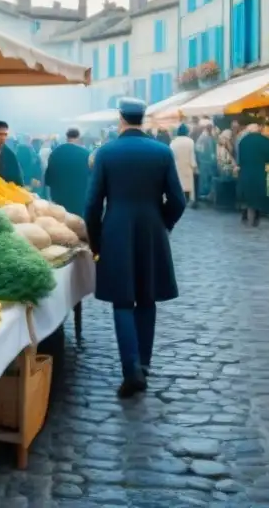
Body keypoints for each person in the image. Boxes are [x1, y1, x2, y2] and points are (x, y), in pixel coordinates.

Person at [84, 98, 186, 398]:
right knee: (147, 298)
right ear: (143, 118)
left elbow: (91, 205)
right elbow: (178, 201)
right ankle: (145, 365)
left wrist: (96, 239)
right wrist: (163, 223)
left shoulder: (106, 152)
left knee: (122, 300)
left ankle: (131, 371)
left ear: (120, 118)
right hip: (152, 231)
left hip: (116, 231)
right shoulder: (162, 151)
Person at [236, 123, 269, 227]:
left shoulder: (243, 140)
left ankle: (245, 214)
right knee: (258, 193)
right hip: (259, 171)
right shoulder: (265, 140)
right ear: (259, 130)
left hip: (245, 171)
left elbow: (238, 157)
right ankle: (256, 217)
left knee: (246, 192)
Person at [45, 128, 90, 218]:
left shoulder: (55, 153)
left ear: (67, 137)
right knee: (78, 224)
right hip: (79, 197)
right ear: (78, 137)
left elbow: (48, 178)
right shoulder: (86, 154)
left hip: (59, 197)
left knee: (61, 223)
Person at [170, 123, 198, 208]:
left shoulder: (173, 142)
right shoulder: (190, 142)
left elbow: (171, 157)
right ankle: (190, 200)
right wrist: (194, 166)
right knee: (188, 186)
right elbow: (192, 156)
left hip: (177, 167)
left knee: (179, 184)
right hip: (187, 166)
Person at [195, 121, 217, 199]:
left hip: (205, 161)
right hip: (205, 161)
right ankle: (204, 195)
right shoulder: (204, 137)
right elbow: (200, 149)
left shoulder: (205, 137)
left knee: (206, 178)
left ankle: (205, 194)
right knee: (205, 179)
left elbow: (198, 149)